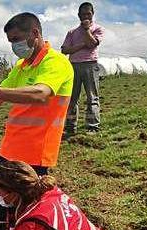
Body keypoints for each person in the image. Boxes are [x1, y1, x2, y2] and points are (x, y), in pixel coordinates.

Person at [0, 12, 73, 230]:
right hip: (9, 151)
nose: (14, 46)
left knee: (27, 216)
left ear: (35, 33)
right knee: (2, 212)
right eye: (11, 41)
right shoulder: (21, 67)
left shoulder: (56, 62)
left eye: (16, 39)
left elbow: (41, 93)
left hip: (35, 155)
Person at [61, 2, 104, 135]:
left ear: (93, 14)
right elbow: (64, 50)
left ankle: (92, 126)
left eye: (88, 14)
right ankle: (70, 127)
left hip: (90, 64)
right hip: (73, 66)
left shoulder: (98, 29)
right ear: (78, 15)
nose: (86, 16)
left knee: (92, 97)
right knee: (72, 98)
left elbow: (92, 44)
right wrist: (81, 45)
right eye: (83, 14)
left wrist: (86, 30)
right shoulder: (72, 32)